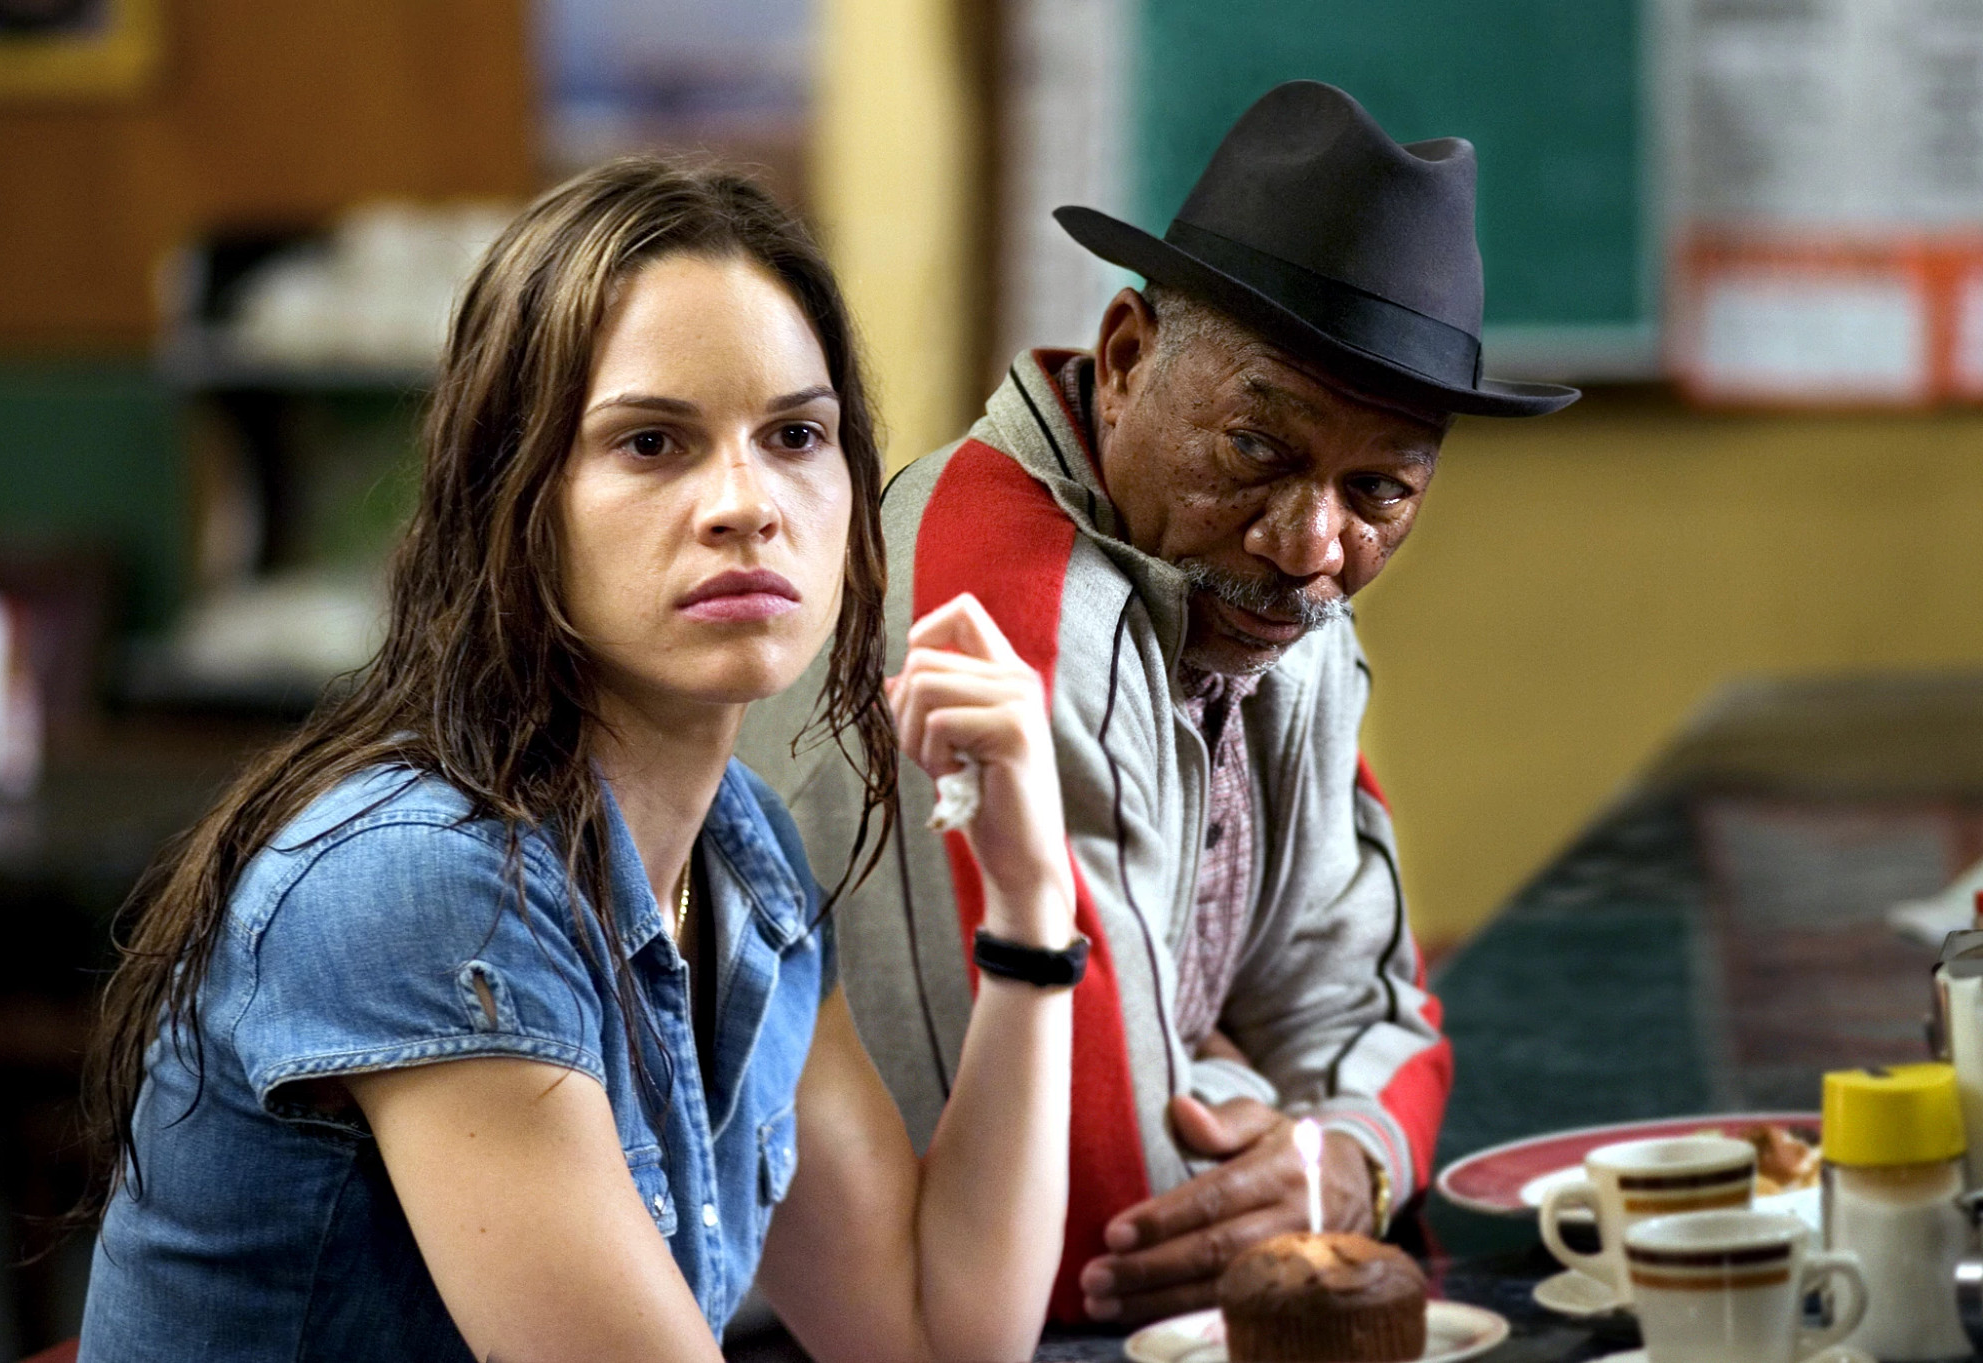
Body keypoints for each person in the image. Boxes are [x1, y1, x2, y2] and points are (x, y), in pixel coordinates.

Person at [76, 159, 1083, 1363]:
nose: (746, 503)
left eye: (796, 435)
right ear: (513, 501)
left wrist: (1030, 906)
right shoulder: (423, 881)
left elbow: (932, 1336)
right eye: (652, 442)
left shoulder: (740, 854)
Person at [738, 81, 1581, 1326]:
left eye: (1378, 493)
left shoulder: (1270, 610)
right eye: (1256, 449)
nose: (1310, 547)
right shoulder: (995, 605)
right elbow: (1086, 1229)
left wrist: (1328, 1156)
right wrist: (1270, 1121)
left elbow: (1365, 1011)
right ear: (1125, 361)